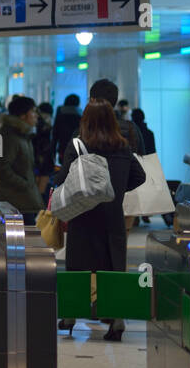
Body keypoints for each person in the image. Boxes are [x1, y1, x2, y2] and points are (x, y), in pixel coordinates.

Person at [54, 100, 147, 340]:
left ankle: (70, 316)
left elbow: (62, 178)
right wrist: (115, 191)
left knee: (78, 268)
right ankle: (116, 321)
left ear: (86, 120)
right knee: (113, 268)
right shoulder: (123, 147)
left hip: (83, 216)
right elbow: (140, 176)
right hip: (112, 218)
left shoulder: (77, 146)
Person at [0, 96, 41, 216]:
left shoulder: (23, 135)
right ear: (22, 115)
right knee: (19, 235)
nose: (36, 115)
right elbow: (1, 168)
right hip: (16, 203)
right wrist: (26, 185)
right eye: (33, 111)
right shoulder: (9, 136)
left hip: (24, 200)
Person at [51, 93, 82, 169]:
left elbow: (55, 135)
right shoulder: (81, 116)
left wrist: (53, 152)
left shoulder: (60, 115)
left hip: (63, 149)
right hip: (77, 150)